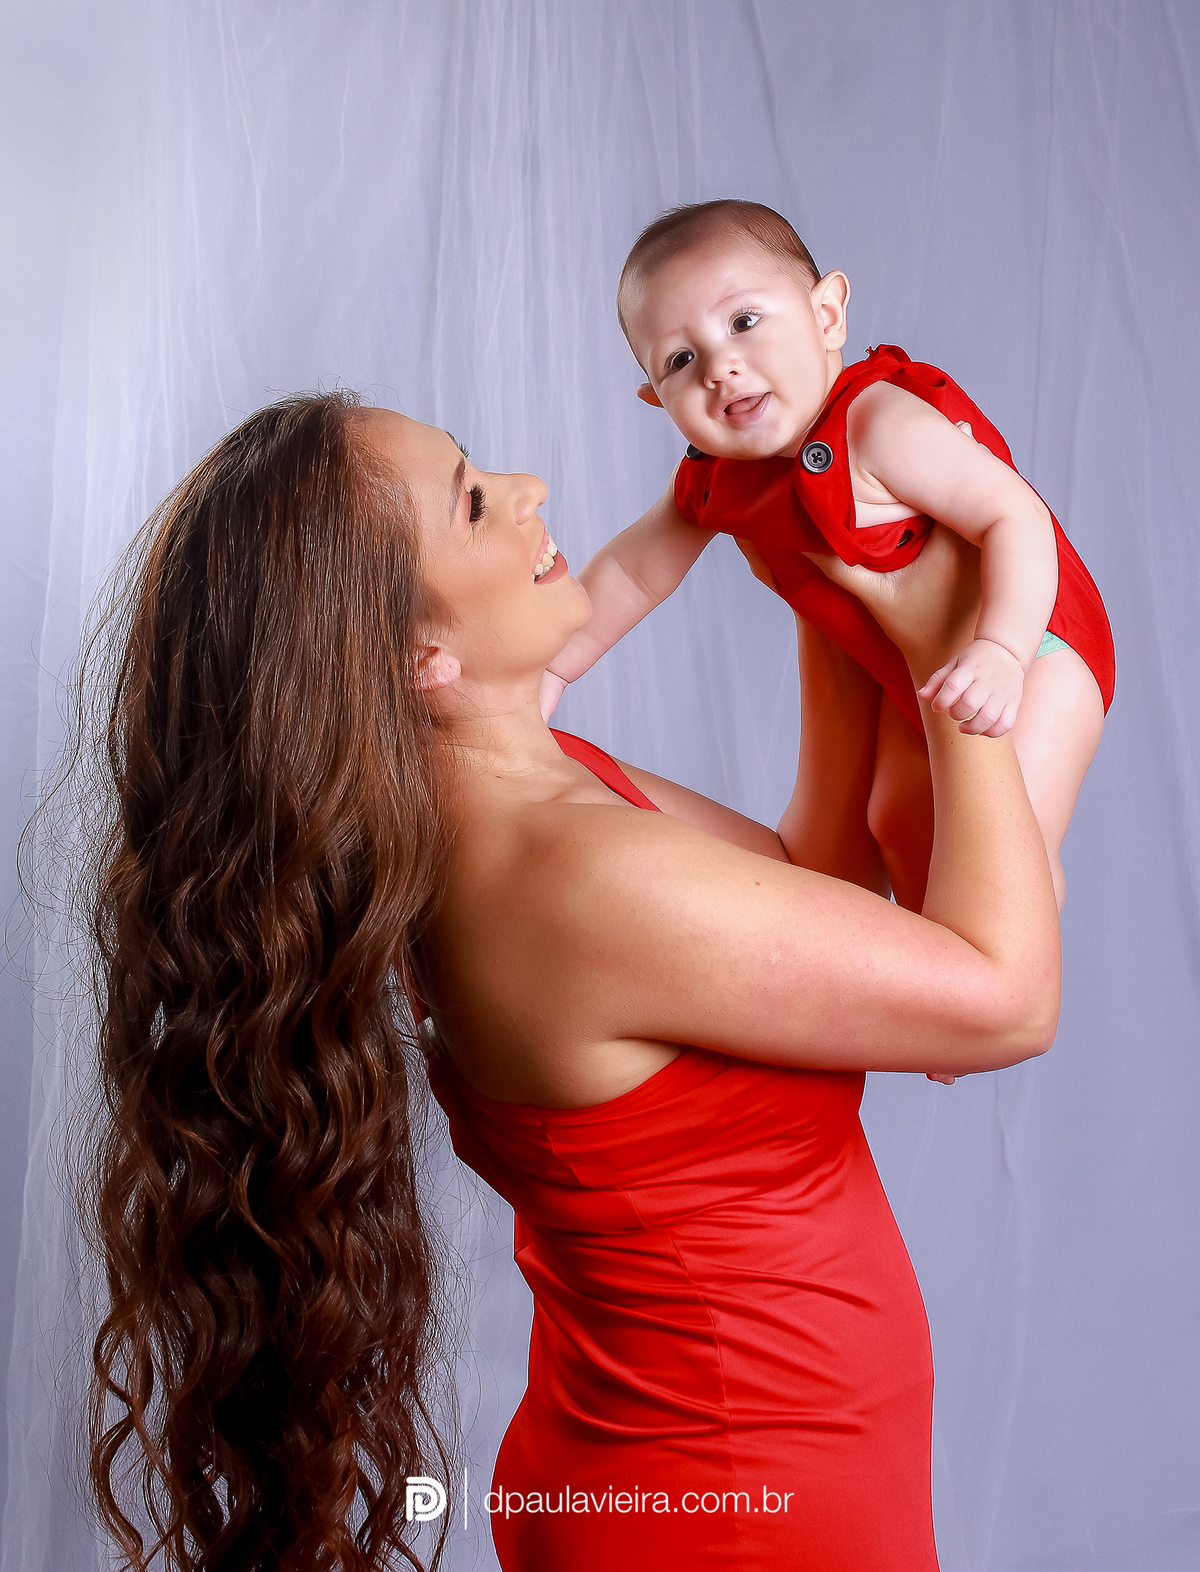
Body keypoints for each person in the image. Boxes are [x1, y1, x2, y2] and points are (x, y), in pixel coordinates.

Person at [85, 391, 1060, 1572]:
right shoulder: (567, 877)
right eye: (475, 499)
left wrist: (829, 588)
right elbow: (1002, 999)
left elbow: (817, 886)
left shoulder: (540, 798)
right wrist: (963, 650)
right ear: (417, 652)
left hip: (710, 1472)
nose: (530, 486)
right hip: (734, 1504)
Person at [540, 200, 1115, 909]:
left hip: (1037, 644)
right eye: (681, 360)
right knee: (900, 821)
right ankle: (930, 977)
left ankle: (1014, 966)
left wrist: (1002, 647)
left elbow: (1015, 517)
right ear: (657, 400)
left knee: (1004, 843)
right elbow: (632, 571)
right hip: (918, 668)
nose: (722, 366)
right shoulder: (713, 479)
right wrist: (554, 667)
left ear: (827, 316)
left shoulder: (878, 423)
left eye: (744, 322)